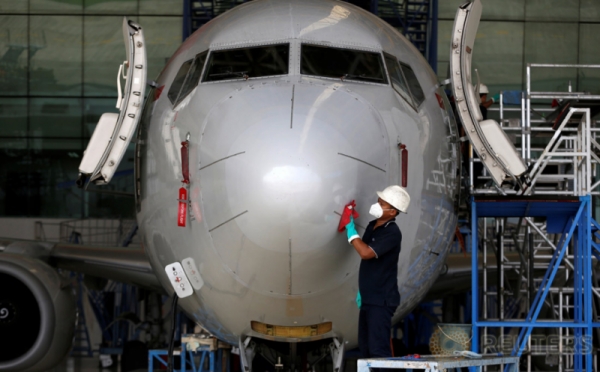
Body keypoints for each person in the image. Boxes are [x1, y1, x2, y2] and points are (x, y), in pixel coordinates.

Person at [344, 185, 410, 358]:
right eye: (379, 201)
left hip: (381, 300)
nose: (377, 205)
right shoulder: (373, 225)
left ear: (393, 212)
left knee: (378, 350)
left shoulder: (392, 233)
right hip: (369, 298)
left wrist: (351, 232)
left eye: (382, 204)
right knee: (365, 348)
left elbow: (366, 253)